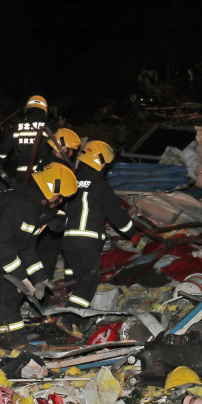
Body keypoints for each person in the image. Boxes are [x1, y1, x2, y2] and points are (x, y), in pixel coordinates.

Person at [0, 162, 78, 358]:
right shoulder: (22, 206)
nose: (61, 202)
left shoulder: (37, 209)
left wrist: (39, 277)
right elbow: (4, 247)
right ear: (53, 193)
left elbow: (26, 247)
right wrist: (21, 277)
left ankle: (15, 344)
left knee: (11, 296)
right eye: (61, 198)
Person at [57, 140, 140, 338]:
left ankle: (69, 325)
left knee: (73, 280)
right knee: (88, 280)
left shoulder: (70, 180)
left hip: (67, 241)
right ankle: (68, 320)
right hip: (86, 242)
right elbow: (117, 215)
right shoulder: (100, 185)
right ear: (99, 162)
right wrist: (133, 234)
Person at [35, 127, 82, 281]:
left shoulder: (48, 160)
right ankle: (42, 288)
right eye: (70, 150)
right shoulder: (56, 167)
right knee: (48, 254)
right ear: (62, 148)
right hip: (49, 217)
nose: (71, 154)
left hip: (48, 215)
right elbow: (58, 196)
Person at [0, 95, 54, 184]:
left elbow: (4, 147)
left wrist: (0, 161)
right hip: (44, 174)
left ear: (28, 107)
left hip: (22, 175)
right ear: (45, 109)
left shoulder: (19, 126)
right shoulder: (49, 127)